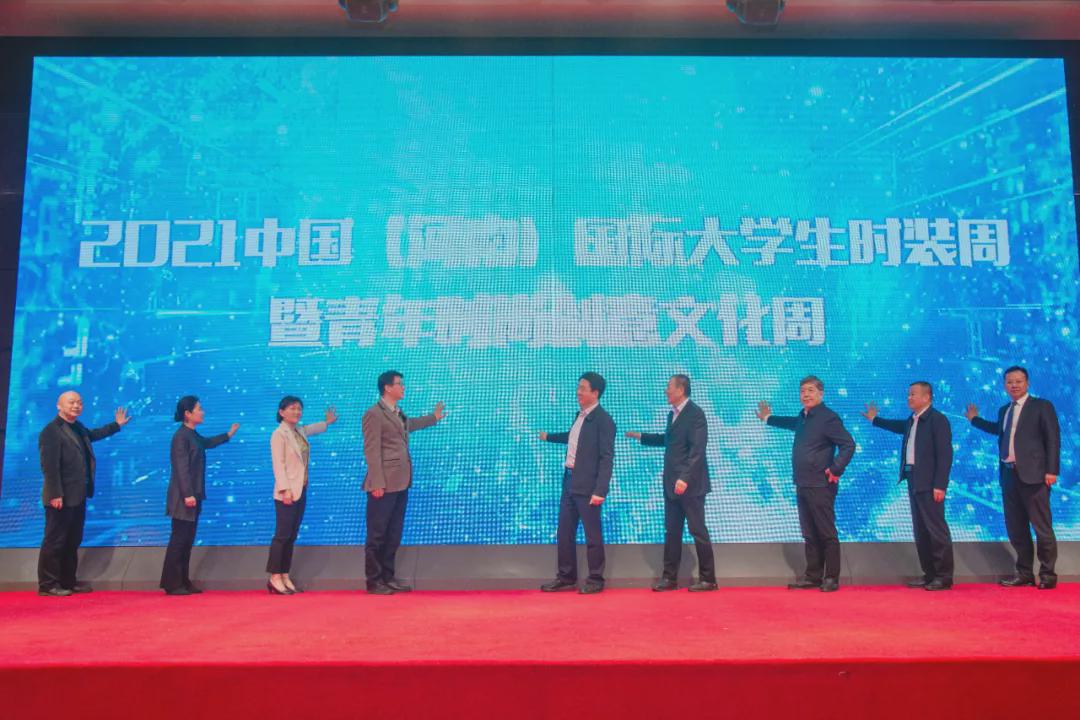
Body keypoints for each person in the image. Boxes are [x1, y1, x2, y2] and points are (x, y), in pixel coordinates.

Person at [757, 375, 855, 593]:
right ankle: (813, 576)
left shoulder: (828, 418)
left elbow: (848, 445)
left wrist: (836, 469)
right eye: (802, 391)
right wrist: (768, 418)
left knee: (826, 532)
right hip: (802, 482)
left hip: (821, 484)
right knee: (809, 532)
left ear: (821, 393)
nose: (806, 395)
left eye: (810, 390)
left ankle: (831, 577)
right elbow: (790, 423)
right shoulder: (803, 417)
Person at [966, 366, 1061, 589]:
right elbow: (997, 430)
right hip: (1009, 476)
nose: (1014, 385)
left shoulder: (1042, 406)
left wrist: (1052, 470)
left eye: (1018, 381)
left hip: (1035, 476)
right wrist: (974, 420)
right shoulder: (1004, 410)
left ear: (1027, 383)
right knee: (1016, 528)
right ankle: (1024, 573)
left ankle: (1047, 575)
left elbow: (1053, 438)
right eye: (1010, 382)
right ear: (1004, 385)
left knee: (1042, 527)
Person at [626, 374, 717, 592]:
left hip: (690, 486)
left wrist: (684, 478)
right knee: (672, 531)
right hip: (671, 485)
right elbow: (669, 441)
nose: (666, 391)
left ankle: (708, 579)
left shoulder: (695, 413)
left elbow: (697, 450)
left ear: (681, 390)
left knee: (698, 531)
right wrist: (641, 436)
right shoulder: (672, 414)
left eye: (669, 387)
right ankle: (669, 578)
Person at [37, 391, 130, 597]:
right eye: (71, 402)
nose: (76, 406)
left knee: (72, 540)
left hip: (77, 495)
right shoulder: (51, 431)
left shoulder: (78, 427)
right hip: (60, 496)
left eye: (79, 402)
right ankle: (48, 584)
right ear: (59, 405)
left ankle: (67, 581)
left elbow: (93, 434)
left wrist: (116, 425)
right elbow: (49, 467)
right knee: (55, 540)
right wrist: (55, 494)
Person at [863, 382, 954, 590]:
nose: (909, 398)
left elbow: (945, 455)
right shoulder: (912, 420)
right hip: (914, 479)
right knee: (921, 530)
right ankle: (929, 574)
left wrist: (940, 484)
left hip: (930, 483)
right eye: (908, 394)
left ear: (927, 397)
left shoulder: (937, 420)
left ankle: (943, 576)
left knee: (936, 529)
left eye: (913, 394)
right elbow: (898, 427)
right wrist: (875, 420)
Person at [361, 370, 445, 595]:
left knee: (393, 533)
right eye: (400, 384)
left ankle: (388, 577)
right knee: (377, 534)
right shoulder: (373, 414)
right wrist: (377, 482)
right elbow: (371, 450)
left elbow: (410, 425)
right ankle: (374, 581)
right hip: (383, 483)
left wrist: (433, 418)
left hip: (401, 481)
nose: (403, 387)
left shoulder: (397, 412)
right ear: (387, 388)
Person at [536, 372, 616, 594]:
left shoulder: (604, 421)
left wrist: (601, 490)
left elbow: (607, 458)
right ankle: (566, 577)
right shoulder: (579, 416)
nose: (578, 392)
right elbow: (573, 438)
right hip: (569, 481)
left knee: (592, 534)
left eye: (583, 388)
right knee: (564, 532)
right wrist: (548, 437)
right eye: (578, 387)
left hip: (588, 485)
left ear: (595, 393)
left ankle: (596, 579)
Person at [160, 396, 239, 595]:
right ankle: (172, 583)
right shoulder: (181, 436)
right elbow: (181, 468)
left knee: (187, 540)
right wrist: (188, 494)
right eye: (199, 409)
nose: (202, 412)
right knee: (179, 539)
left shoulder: (192, 435)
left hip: (194, 495)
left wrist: (228, 435)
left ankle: (183, 581)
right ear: (188, 413)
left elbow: (207, 443)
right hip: (183, 497)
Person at [267, 396, 338, 595]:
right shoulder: (278, 434)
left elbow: (311, 429)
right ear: (281, 412)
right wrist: (285, 490)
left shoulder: (298, 431)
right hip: (287, 492)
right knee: (282, 535)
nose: (297, 412)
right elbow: (278, 464)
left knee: (291, 535)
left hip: (301, 489)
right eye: (292, 408)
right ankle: (274, 576)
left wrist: (327, 422)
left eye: (299, 408)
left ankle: (284, 574)